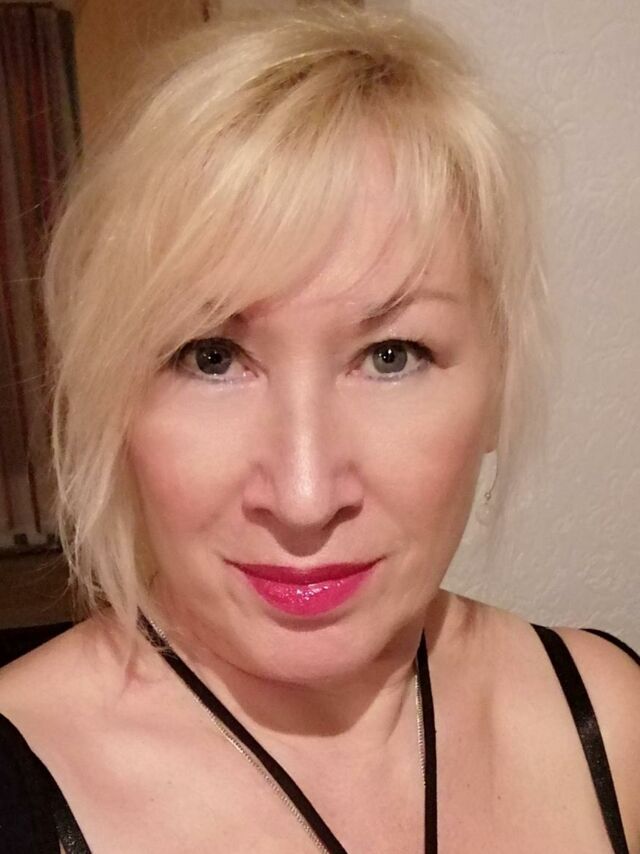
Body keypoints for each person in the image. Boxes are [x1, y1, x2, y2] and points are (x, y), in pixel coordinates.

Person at [0, 3, 638, 852]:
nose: (304, 498)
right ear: (114, 393)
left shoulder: (612, 718)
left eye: (392, 355)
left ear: (495, 384)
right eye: (211, 357)